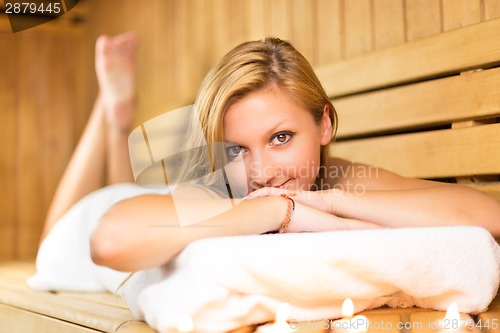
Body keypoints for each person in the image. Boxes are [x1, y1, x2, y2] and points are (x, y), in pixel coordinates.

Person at [41, 33, 500, 274]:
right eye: (237, 149)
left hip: (154, 202)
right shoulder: (215, 190)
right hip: (96, 220)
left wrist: (328, 202)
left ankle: (114, 115)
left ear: (324, 124)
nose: (261, 171)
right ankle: (110, 113)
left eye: (281, 137)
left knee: (125, 187)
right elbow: (109, 240)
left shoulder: (338, 180)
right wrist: (282, 211)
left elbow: (487, 215)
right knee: (56, 234)